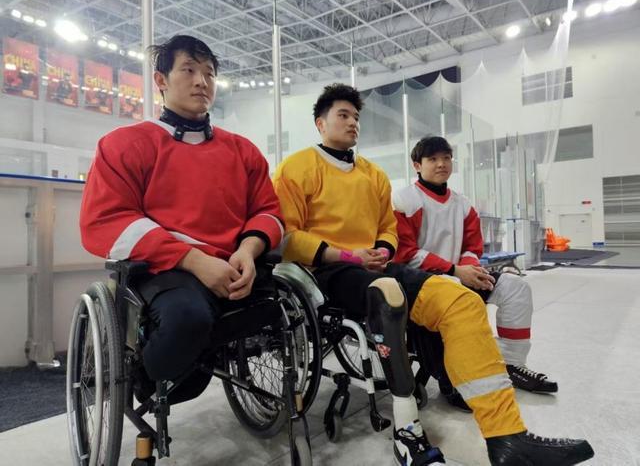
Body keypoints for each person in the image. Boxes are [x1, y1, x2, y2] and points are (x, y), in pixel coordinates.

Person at [273, 83, 594, 466]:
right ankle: (407, 428)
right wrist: (348, 255)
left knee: (459, 299)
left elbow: (388, 228)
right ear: (320, 123)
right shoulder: (297, 168)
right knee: (389, 296)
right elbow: (287, 236)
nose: (353, 122)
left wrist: (383, 250)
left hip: (377, 265)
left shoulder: (373, 175)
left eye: (356, 116)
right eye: (343, 115)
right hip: (328, 271)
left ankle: (507, 436)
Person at [79, 35, 284, 403]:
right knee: (188, 321)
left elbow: (268, 211)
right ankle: (146, 378)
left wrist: (248, 251)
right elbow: (106, 218)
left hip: (236, 268)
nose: (201, 81)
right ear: (161, 80)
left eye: (209, 73)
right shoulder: (125, 145)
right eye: (188, 70)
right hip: (166, 270)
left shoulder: (243, 151)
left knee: (284, 307)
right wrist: (194, 260)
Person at [393, 136, 557, 394]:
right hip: (422, 284)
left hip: (459, 276)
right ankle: (453, 377)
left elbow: (473, 246)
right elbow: (405, 252)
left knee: (515, 287)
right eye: (432, 159)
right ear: (417, 165)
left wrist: (471, 270)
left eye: (446, 158)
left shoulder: (463, 204)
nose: (441, 164)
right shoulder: (404, 200)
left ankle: (512, 364)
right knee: (453, 292)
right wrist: (456, 271)